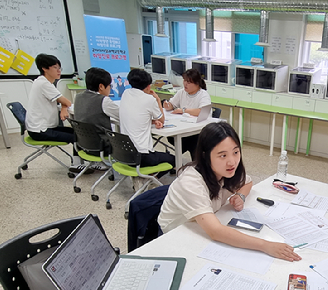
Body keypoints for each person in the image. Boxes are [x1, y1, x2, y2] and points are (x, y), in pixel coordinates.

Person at [158, 121, 301, 262]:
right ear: (205, 156)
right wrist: (266, 245)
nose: (232, 162)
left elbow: (248, 182)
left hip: (200, 227)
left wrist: (240, 196)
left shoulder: (225, 172)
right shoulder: (190, 182)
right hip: (175, 236)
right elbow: (215, 232)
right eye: (223, 155)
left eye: (235, 152)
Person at [25, 53, 83, 173]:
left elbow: (63, 101)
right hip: (41, 130)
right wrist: (64, 105)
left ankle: (79, 162)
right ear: (45, 68)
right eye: (55, 68)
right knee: (77, 135)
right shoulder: (44, 84)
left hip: (40, 127)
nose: (59, 71)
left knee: (78, 132)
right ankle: (77, 165)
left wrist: (63, 108)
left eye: (59, 68)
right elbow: (66, 101)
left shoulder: (43, 82)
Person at [119, 68, 175, 176]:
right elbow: (162, 119)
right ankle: (148, 180)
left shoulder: (126, 93)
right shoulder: (149, 99)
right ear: (148, 86)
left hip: (124, 153)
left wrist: (152, 121)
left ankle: (145, 178)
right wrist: (158, 99)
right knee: (173, 159)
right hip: (142, 156)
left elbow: (136, 114)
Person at [163, 68, 211, 160]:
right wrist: (167, 105)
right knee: (172, 137)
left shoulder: (203, 94)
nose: (185, 84)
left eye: (188, 82)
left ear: (197, 84)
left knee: (193, 141)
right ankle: (178, 161)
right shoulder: (181, 92)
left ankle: (195, 164)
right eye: (184, 80)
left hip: (197, 131)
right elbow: (172, 105)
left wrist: (183, 110)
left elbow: (202, 111)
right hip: (183, 127)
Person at [74, 67, 120, 157]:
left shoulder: (78, 97)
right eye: (109, 85)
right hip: (103, 147)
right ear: (101, 86)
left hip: (83, 144)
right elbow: (123, 115)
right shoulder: (103, 100)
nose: (110, 88)